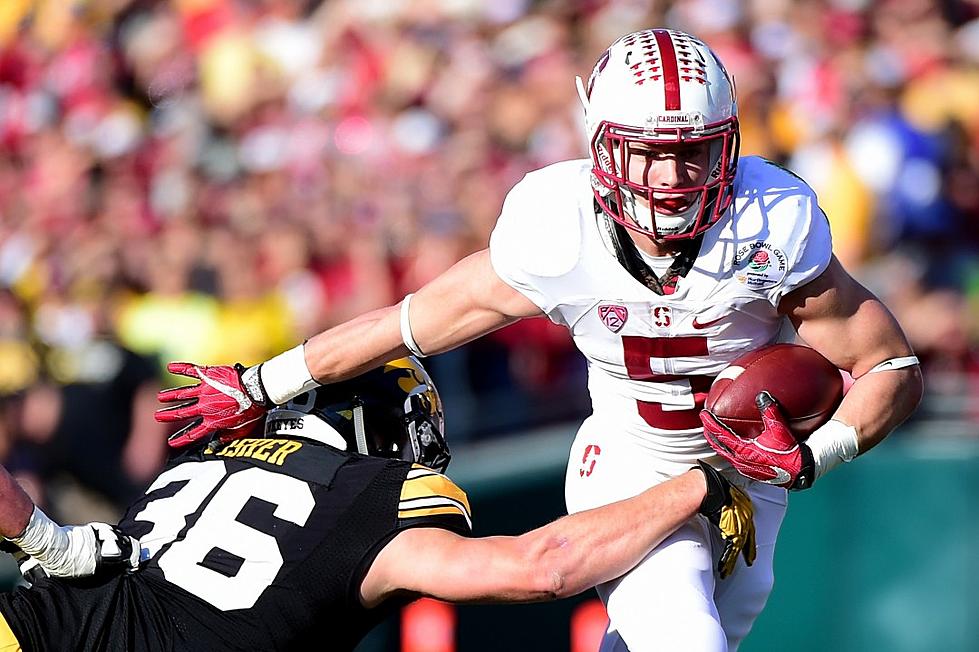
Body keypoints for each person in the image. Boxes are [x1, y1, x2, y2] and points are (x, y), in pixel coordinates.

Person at [155, 28, 923, 651]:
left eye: (692, 150)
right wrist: (264, 384)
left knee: (678, 636)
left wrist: (811, 458)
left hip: (752, 475)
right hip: (630, 460)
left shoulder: (768, 221)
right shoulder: (559, 227)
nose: (671, 177)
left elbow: (888, 365)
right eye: (649, 151)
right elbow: (410, 322)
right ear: (599, 146)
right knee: (685, 640)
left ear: (727, 145)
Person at [1, 357, 756, 651]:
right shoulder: (369, 497)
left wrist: (41, 535)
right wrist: (700, 482)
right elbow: (541, 567)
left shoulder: (205, 459)